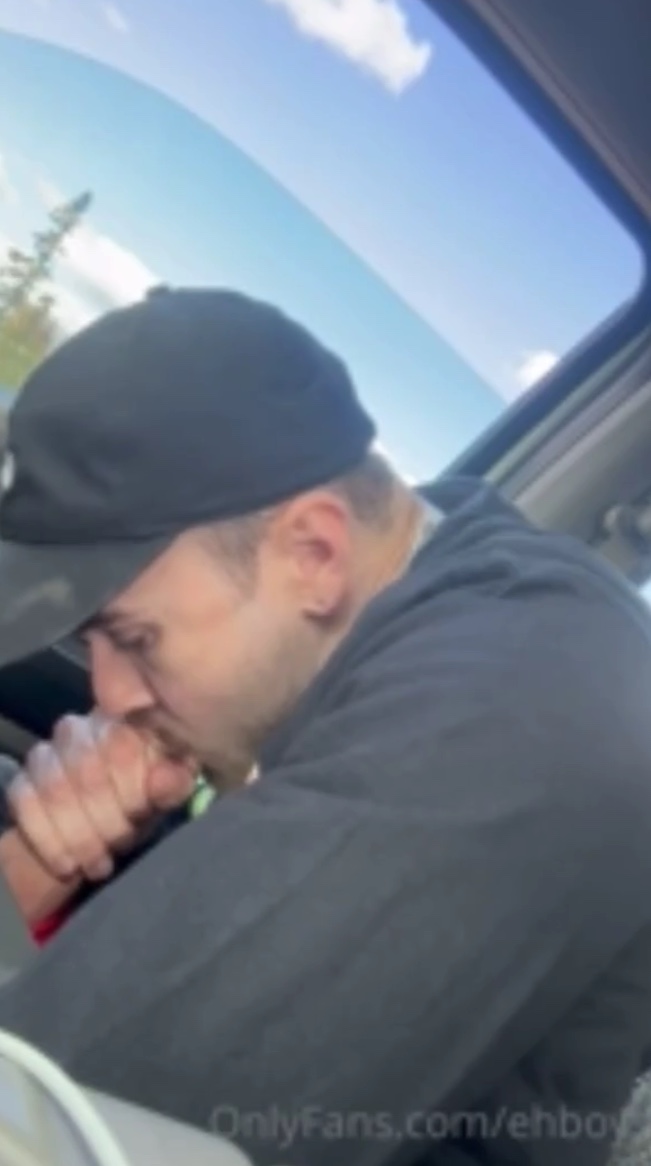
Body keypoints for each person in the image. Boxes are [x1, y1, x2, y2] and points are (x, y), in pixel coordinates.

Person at [0, 288, 648, 1166]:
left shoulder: (520, 701)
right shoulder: (417, 612)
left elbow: (47, 1126)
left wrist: (37, 875)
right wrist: (52, 857)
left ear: (313, 554)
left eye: (135, 639)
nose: (109, 696)